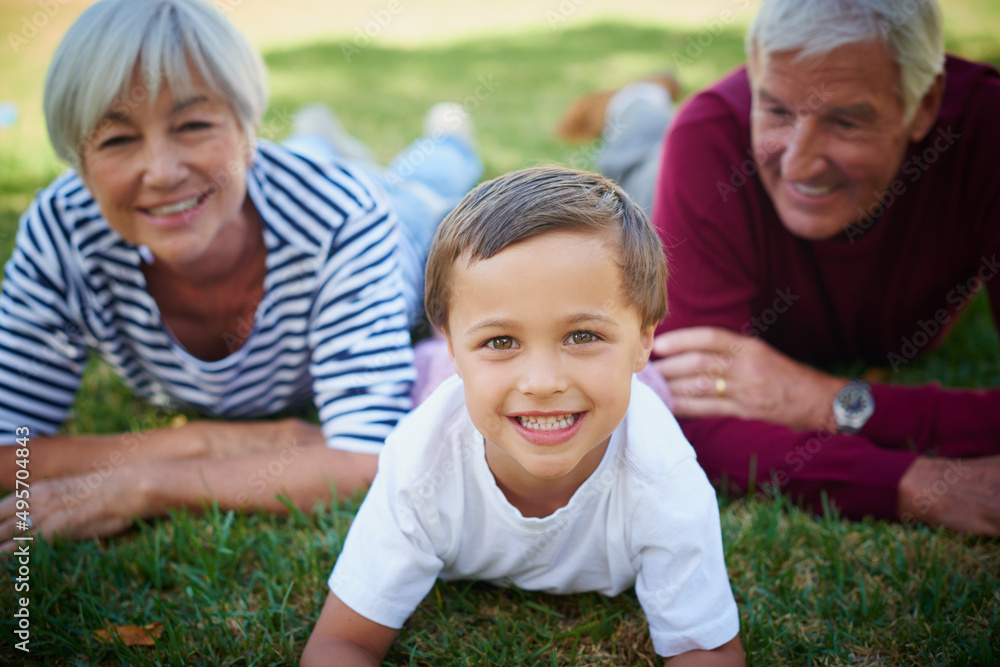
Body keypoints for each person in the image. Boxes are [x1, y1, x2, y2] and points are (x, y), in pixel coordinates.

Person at [0, 0, 481, 550]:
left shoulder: (341, 216)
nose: (160, 171)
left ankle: (447, 134)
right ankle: (316, 139)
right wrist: (202, 443)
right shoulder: (62, 231)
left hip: (403, 224)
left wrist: (145, 483)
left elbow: (365, 459)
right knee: (265, 175)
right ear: (78, 161)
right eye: (116, 139)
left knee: (428, 182)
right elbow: (7, 446)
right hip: (265, 183)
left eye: (194, 125)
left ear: (248, 130)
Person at [576, 0, 1000, 534]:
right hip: (666, 180)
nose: (799, 164)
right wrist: (913, 484)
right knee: (640, 165)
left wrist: (832, 401)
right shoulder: (711, 137)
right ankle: (637, 105)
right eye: (775, 110)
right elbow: (687, 413)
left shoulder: (987, 131)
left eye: (846, 121)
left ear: (923, 105)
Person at [301, 166, 744, 666]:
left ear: (645, 339)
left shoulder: (664, 477)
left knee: (651, 392)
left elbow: (707, 650)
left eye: (582, 336)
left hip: (635, 390)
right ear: (452, 345)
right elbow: (342, 641)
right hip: (435, 383)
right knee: (420, 379)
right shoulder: (419, 462)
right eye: (501, 341)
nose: (542, 381)